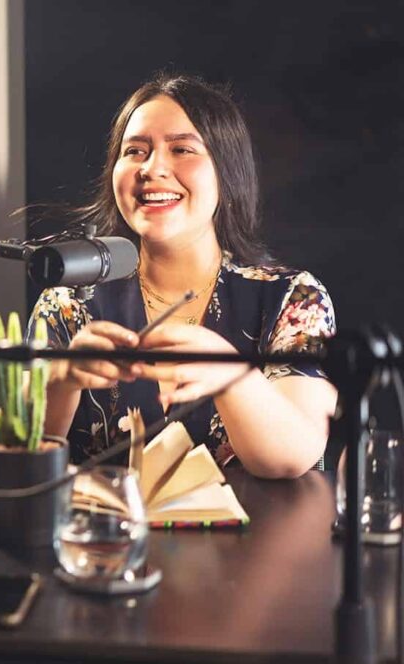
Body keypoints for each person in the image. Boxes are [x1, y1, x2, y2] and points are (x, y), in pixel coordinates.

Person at [29, 74, 337, 478]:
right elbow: (16, 464)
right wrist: (60, 382)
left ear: (226, 172)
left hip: (252, 522)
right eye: (135, 151)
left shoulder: (292, 298)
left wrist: (233, 375)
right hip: (105, 520)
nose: (152, 168)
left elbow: (292, 457)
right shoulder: (69, 304)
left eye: (181, 149)